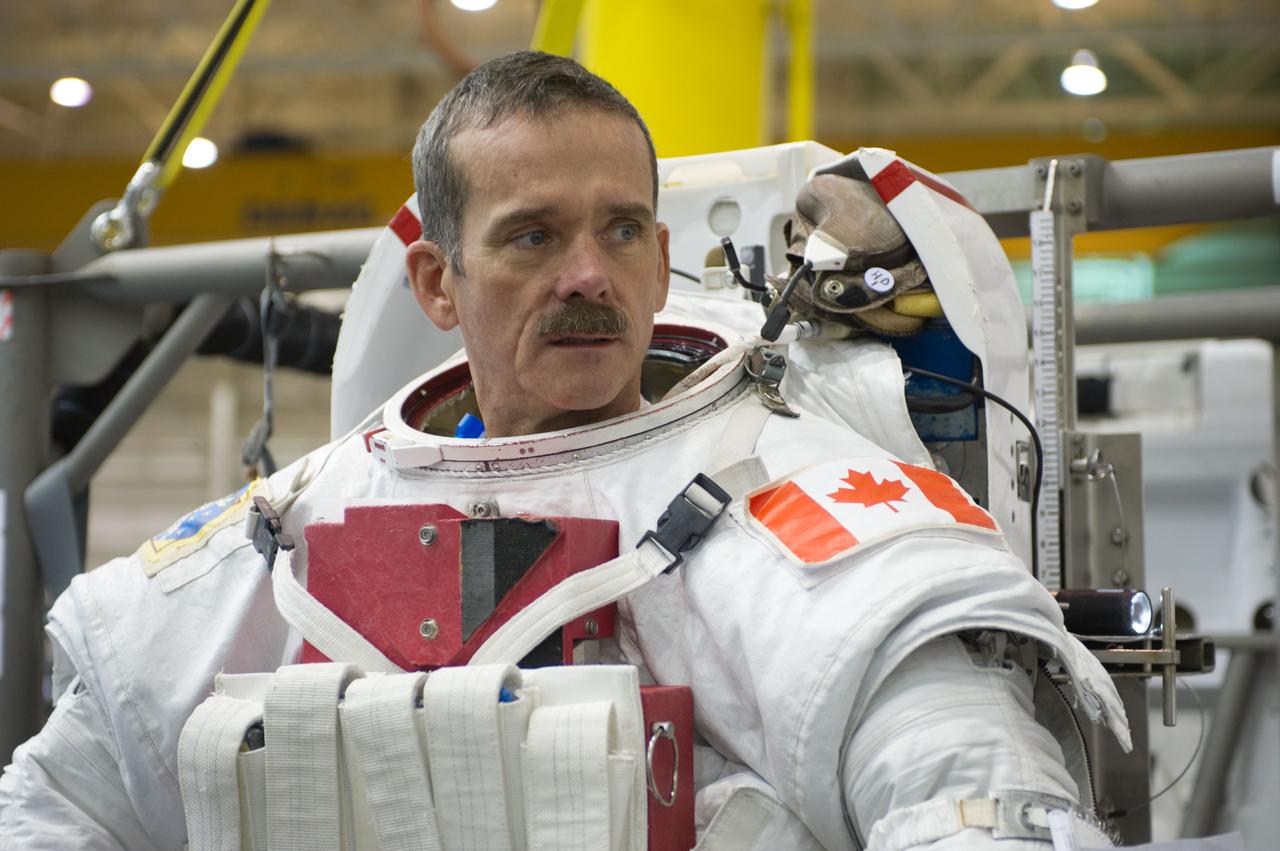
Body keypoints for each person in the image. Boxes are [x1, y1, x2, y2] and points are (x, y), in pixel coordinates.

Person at [0, 51, 1128, 850]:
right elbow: (64, 802)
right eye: (533, 236)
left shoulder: (792, 506)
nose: (588, 274)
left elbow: (960, 784)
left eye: (620, 230)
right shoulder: (290, 526)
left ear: (659, 254)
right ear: (437, 284)